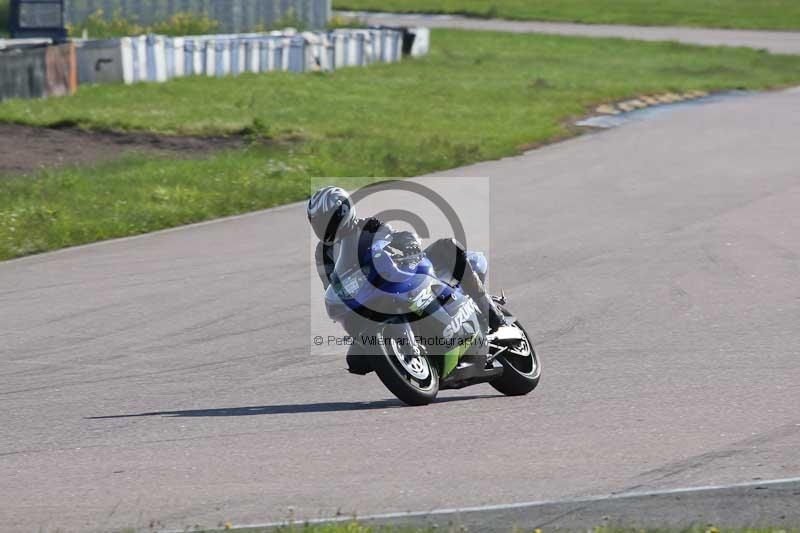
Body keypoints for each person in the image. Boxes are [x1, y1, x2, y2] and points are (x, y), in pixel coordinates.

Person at [307, 186, 505, 369]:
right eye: (317, 222)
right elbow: (331, 285)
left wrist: (409, 244)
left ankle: (486, 305)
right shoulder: (322, 253)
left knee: (448, 246)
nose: (322, 227)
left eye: (325, 220)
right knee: (356, 360)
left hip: (401, 274)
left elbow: (398, 235)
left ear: (343, 212)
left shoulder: (368, 226)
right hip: (366, 301)